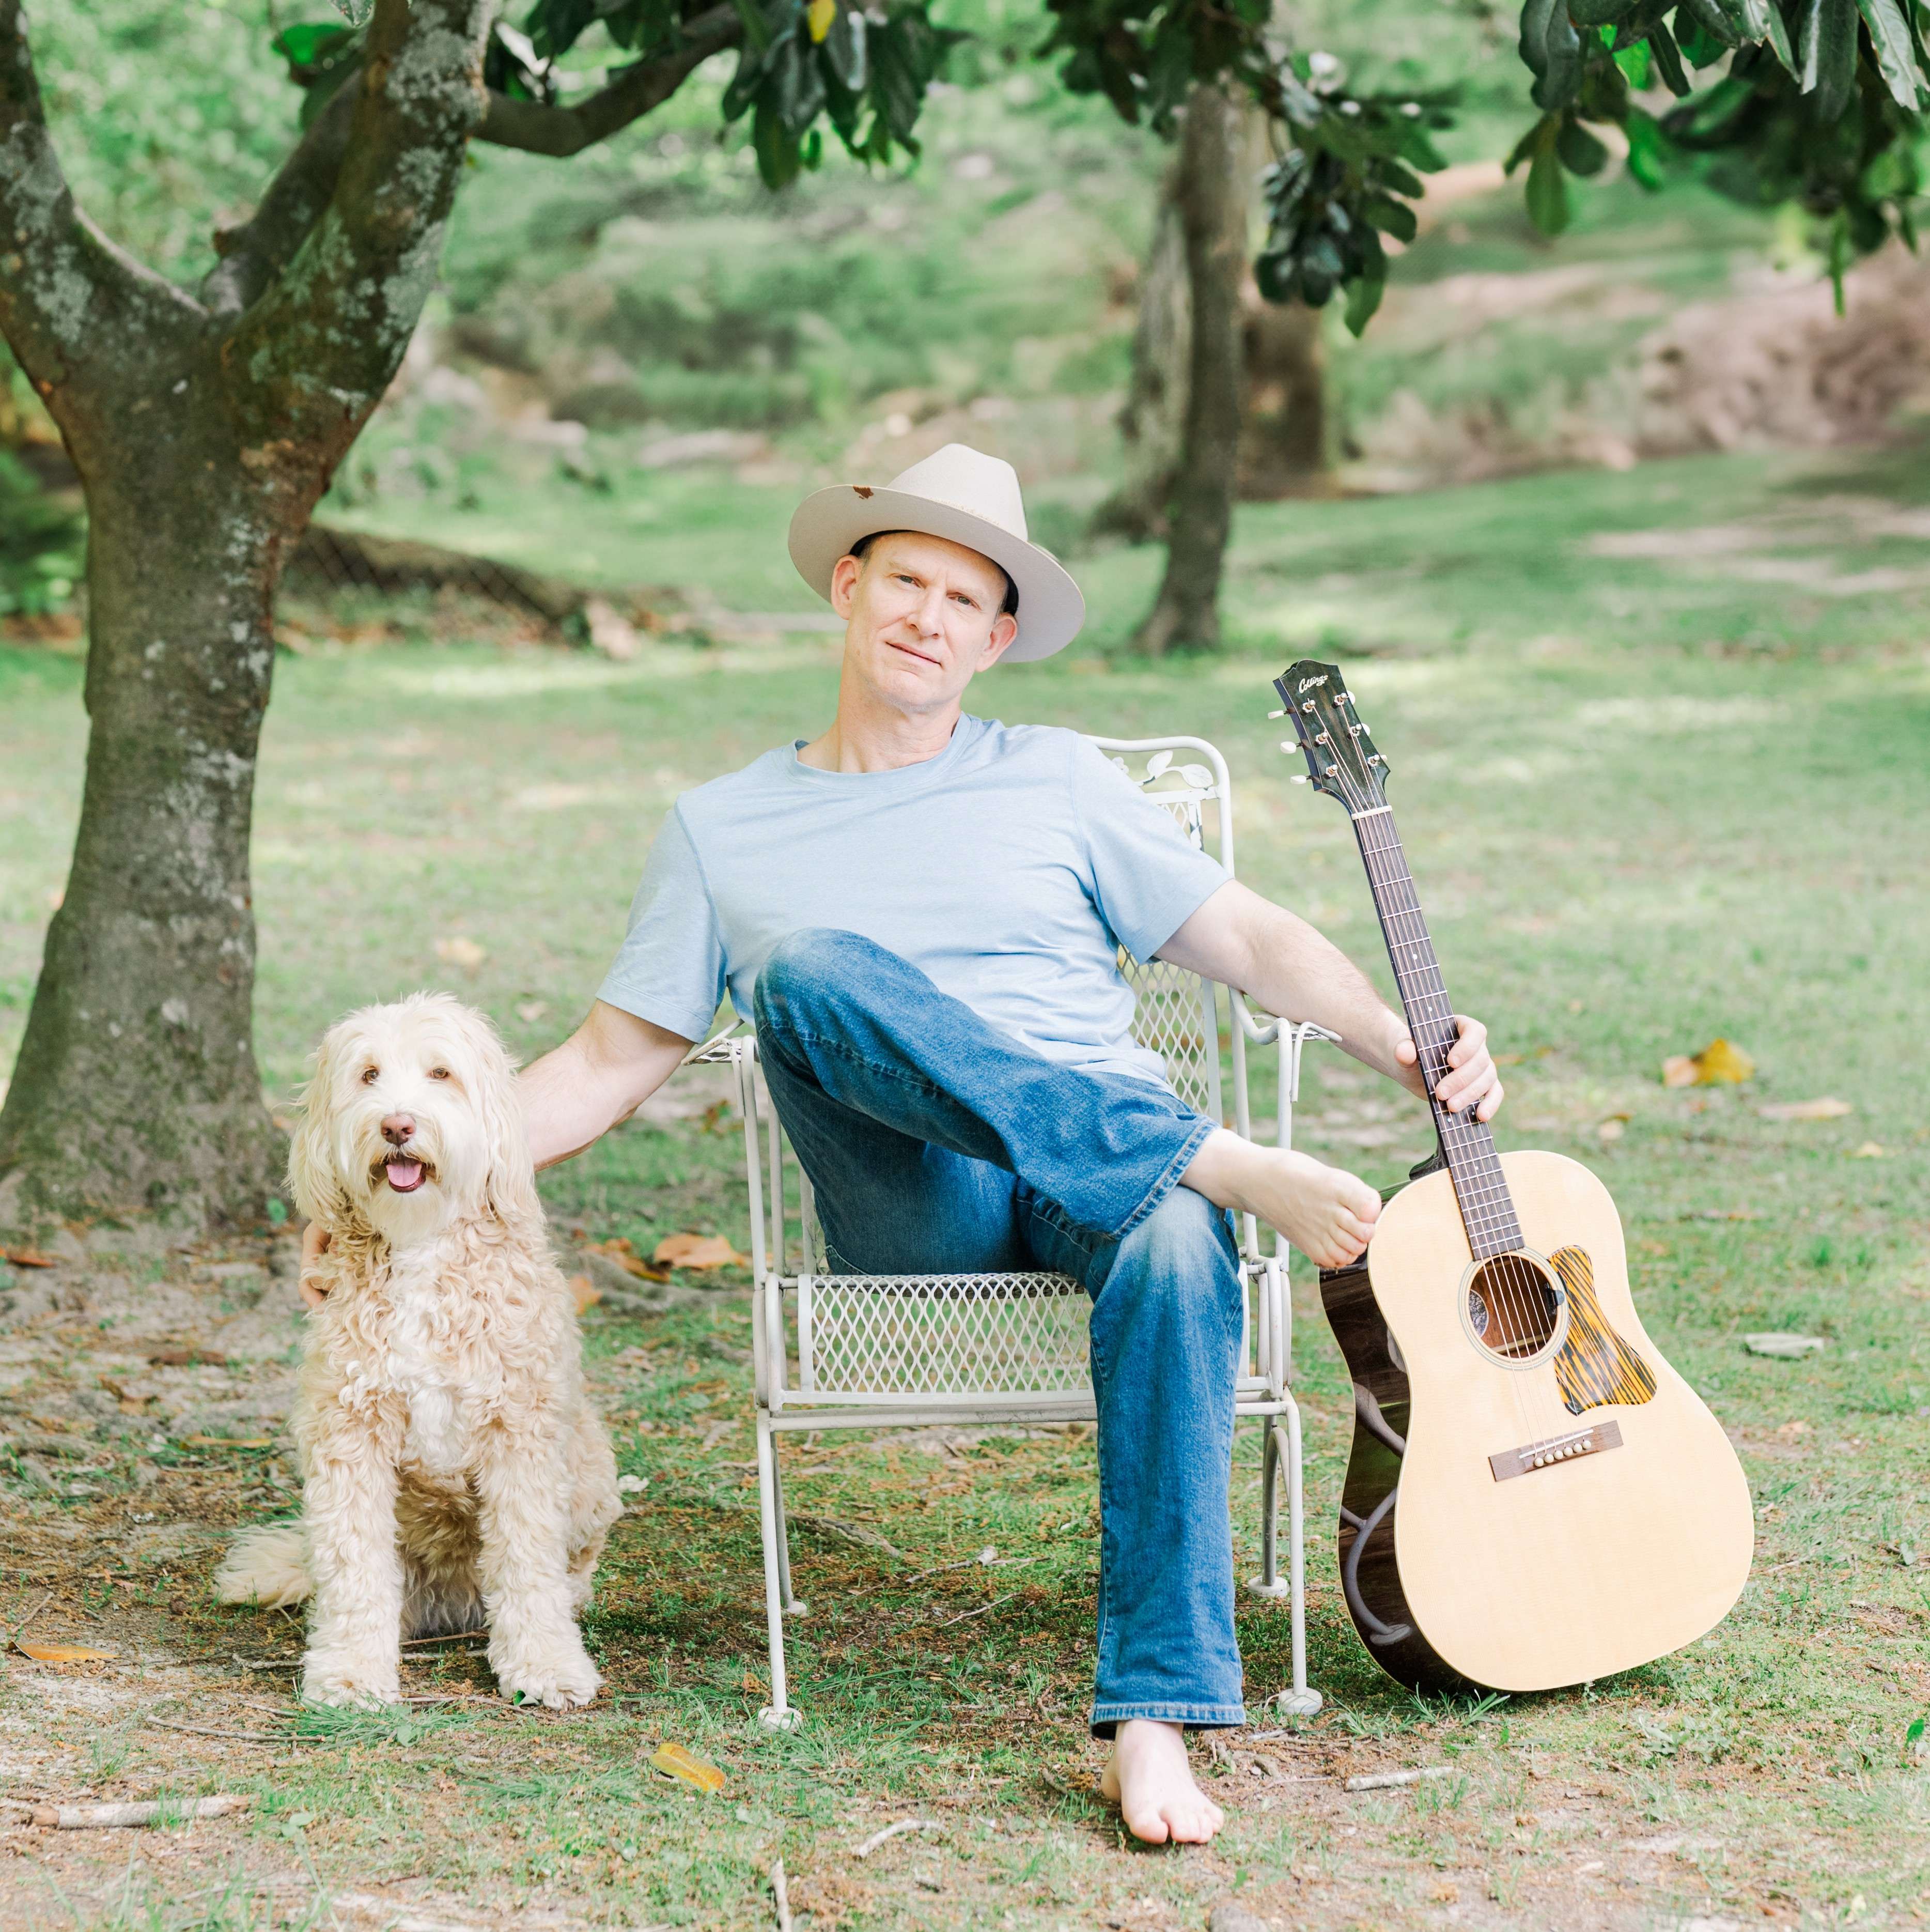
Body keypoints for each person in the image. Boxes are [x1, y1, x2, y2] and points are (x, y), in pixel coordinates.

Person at [302, 443, 1503, 1844]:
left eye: (965, 600)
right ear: (848, 587)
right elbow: (607, 1064)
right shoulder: (722, 828)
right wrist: (397, 1171)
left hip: (1102, 1185)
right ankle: (1200, 1151)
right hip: (913, 1198)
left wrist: (1397, 1039)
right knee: (813, 969)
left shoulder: (1059, 780)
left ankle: (1157, 1719)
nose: (930, 617)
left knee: (1180, 1241)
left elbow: (1243, 935)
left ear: (997, 638)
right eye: (907, 582)